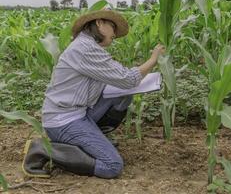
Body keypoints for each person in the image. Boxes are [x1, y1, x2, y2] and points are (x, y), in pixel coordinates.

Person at [22, 9, 165, 179]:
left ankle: (92, 139)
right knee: (112, 166)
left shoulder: (88, 45)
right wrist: (153, 60)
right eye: (113, 27)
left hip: (80, 112)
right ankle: (42, 149)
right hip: (63, 121)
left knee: (122, 95)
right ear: (99, 23)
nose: (115, 35)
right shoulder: (84, 49)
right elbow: (127, 79)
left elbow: (119, 80)